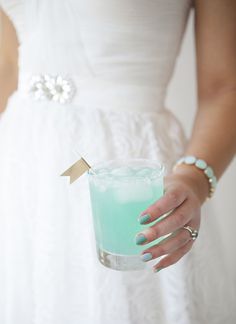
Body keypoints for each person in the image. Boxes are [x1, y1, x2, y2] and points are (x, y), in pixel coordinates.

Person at [0, 0, 235, 323]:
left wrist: (193, 180)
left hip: (123, 168)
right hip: (21, 165)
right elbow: (10, 66)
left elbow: (225, 87)